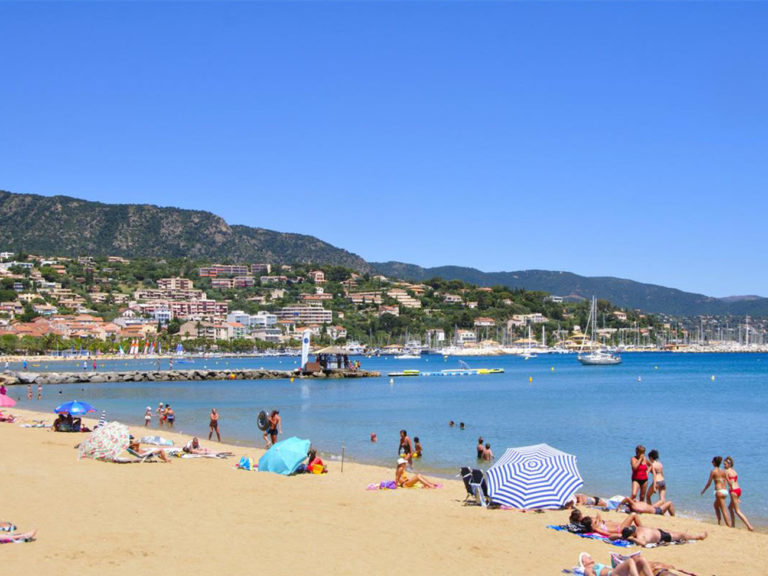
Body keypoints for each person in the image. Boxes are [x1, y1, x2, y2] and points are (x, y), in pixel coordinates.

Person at [724, 456, 754, 531]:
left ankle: (749, 526)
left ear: (729, 464)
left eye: (725, 464)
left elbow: (729, 482)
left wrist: (728, 490)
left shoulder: (726, 471)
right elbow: (735, 480)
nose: (724, 466)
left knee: (737, 511)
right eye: (723, 464)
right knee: (730, 508)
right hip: (738, 490)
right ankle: (733, 525)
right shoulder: (734, 471)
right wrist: (737, 497)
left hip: (733, 491)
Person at [701, 455, 731, 526]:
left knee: (723, 510)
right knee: (716, 506)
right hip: (725, 491)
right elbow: (728, 481)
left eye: (712, 461)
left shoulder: (713, 471)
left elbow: (709, 483)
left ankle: (729, 525)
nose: (711, 462)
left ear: (714, 463)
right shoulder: (724, 471)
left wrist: (704, 490)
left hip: (719, 492)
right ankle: (719, 523)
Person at [619, 524, 707, 546]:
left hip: (660, 531)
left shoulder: (637, 529)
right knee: (681, 535)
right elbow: (643, 543)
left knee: (677, 533)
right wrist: (632, 539)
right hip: (662, 537)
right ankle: (699, 537)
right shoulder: (639, 536)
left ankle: (696, 536)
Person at [578, 552, 655, 576]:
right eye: (587, 557)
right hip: (612, 574)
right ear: (583, 562)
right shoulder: (587, 569)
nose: (589, 557)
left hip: (617, 571)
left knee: (641, 559)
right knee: (630, 561)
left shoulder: (596, 565)